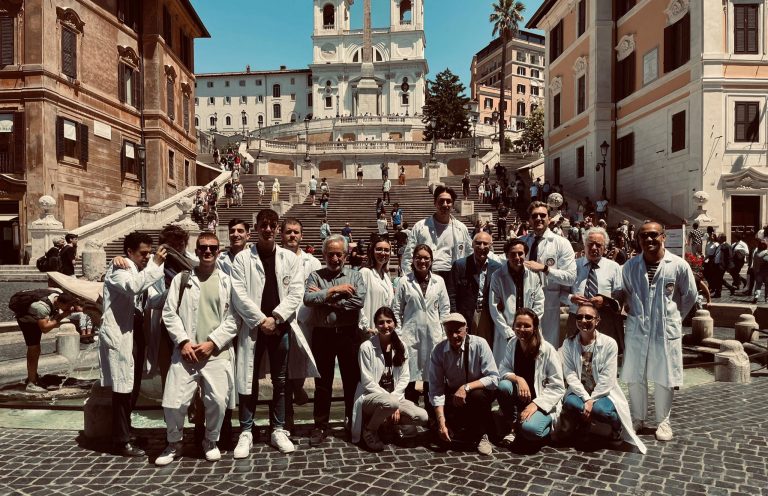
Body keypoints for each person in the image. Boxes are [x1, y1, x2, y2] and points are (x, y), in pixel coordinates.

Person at [230, 209, 316, 456]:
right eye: (263, 225)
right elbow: (239, 294)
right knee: (248, 379)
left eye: (272, 225)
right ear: (256, 228)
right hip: (254, 328)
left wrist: (275, 318)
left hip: (280, 327)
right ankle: (246, 430)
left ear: (277, 228)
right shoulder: (242, 259)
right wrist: (260, 320)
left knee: (280, 380)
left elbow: (296, 292)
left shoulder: (290, 259)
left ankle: (277, 428)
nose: (268, 229)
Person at [155, 232, 239, 466]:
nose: (208, 252)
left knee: (218, 401)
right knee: (173, 401)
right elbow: (169, 313)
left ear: (219, 251)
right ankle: (174, 442)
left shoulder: (227, 281)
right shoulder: (183, 279)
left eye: (213, 248)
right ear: (197, 250)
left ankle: (210, 440)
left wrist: (213, 342)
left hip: (215, 352)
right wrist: (183, 341)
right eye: (203, 248)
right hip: (186, 352)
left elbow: (234, 319)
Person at [622, 221, 696, 441]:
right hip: (637, 328)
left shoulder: (678, 265)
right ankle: (637, 418)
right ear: (639, 240)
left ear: (663, 237)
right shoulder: (630, 266)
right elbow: (626, 293)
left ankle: (663, 422)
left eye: (654, 235)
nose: (649, 240)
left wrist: (673, 318)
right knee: (635, 376)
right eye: (644, 236)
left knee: (665, 376)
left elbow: (690, 295)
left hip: (665, 330)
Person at [100, 232, 166, 457]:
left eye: (149, 253)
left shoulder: (136, 269)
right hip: (121, 335)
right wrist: (156, 264)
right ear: (129, 252)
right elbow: (133, 287)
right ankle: (120, 440)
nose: (147, 257)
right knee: (122, 389)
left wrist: (172, 293)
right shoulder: (121, 268)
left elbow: (149, 300)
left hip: (135, 333)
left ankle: (125, 430)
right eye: (143, 253)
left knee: (132, 385)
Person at [303, 235, 367, 446]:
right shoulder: (315, 275)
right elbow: (308, 299)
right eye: (331, 254)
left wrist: (326, 299)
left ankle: (351, 421)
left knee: (351, 379)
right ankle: (320, 425)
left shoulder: (355, 276)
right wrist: (335, 290)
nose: (335, 258)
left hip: (348, 333)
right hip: (324, 333)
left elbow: (358, 301)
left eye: (339, 254)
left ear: (346, 255)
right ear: (324, 255)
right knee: (323, 382)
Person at [559, 303, 647, 453]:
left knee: (601, 410)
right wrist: (586, 399)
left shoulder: (609, 344)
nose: (584, 320)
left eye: (589, 317)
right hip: (581, 392)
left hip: (603, 392)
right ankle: (582, 425)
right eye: (579, 317)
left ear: (597, 320)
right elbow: (570, 375)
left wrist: (592, 400)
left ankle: (616, 428)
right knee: (570, 402)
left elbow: (608, 378)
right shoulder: (569, 343)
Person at [351, 306, 428, 450]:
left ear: (395, 323)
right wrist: (392, 402)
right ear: (375, 325)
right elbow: (367, 381)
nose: (385, 326)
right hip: (370, 398)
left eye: (389, 321)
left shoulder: (401, 346)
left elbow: (405, 377)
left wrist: (394, 400)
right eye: (381, 322)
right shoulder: (366, 347)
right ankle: (370, 429)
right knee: (390, 404)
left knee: (422, 416)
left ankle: (390, 425)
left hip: (395, 398)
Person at [392, 244, 450, 421]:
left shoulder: (438, 281)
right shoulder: (403, 281)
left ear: (431, 261)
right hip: (410, 337)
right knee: (408, 379)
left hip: (434, 337)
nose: (422, 261)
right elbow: (396, 310)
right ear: (413, 260)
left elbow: (445, 309)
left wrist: (443, 334)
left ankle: (433, 419)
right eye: (419, 257)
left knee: (431, 380)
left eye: (426, 258)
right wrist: (400, 336)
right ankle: (408, 420)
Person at [428, 313, 499, 455]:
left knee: (477, 396)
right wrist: (441, 421)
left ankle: (482, 434)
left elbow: (494, 379)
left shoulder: (480, 344)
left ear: (466, 329)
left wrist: (467, 387)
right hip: (455, 395)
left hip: (477, 392)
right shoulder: (439, 351)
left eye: (458, 331)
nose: (454, 336)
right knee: (432, 405)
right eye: (450, 331)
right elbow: (436, 388)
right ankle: (449, 426)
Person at [496, 309, 564, 445]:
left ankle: (541, 428)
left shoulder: (547, 350)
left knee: (531, 430)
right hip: (521, 398)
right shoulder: (512, 344)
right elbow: (503, 368)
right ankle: (513, 426)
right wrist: (518, 379)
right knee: (503, 386)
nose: (522, 329)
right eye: (518, 325)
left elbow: (558, 387)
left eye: (527, 325)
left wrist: (535, 404)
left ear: (535, 328)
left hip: (542, 402)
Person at [280, 217, 322, 428]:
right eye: (288, 232)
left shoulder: (312, 262)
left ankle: (317, 420)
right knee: (283, 371)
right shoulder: (275, 258)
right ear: (282, 235)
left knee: (303, 363)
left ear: (302, 235)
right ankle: (285, 419)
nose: (292, 235)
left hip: (306, 319)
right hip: (282, 319)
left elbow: (318, 290)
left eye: (296, 232)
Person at [520, 201, 576, 346]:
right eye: (534, 216)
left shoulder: (561, 243)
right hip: (523, 303)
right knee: (523, 348)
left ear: (549, 219)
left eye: (542, 215)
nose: (538, 218)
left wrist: (545, 269)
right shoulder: (521, 243)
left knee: (547, 348)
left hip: (548, 304)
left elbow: (570, 278)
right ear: (529, 220)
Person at [567, 227, 625, 352]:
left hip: (604, 319)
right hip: (576, 318)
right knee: (575, 356)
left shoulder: (613, 267)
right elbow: (561, 293)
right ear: (584, 245)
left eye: (598, 245)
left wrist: (605, 301)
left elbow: (620, 295)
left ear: (605, 248)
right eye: (590, 244)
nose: (594, 248)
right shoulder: (573, 265)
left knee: (603, 356)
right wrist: (571, 298)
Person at [488, 239, 545, 365]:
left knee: (530, 366)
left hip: (530, 331)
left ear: (525, 255)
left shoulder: (533, 276)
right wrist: (508, 332)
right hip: (507, 331)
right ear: (507, 255)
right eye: (513, 254)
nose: (517, 257)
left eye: (520, 253)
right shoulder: (497, 276)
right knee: (506, 368)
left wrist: (530, 326)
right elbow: (494, 307)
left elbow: (539, 303)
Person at [400, 186, 473, 280]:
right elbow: (408, 255)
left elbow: (469, 254)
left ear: (453, 204)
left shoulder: (461, 228)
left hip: (453, 277)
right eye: (441, 201)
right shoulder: (420, 226)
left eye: (448, 201)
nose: (445, 204)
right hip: (426, 274)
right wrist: (410, 278)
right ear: (435, 203)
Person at [12, 288, 76, 392]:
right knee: (34, 349)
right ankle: (31, 384)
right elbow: (45, 328)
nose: (69, 308)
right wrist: (61, 316)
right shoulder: (42, 307)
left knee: (36, 349)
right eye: (68, 306)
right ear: (59, 302)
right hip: (27, 320)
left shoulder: (57, 294)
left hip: (35, 317)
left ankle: (32, 376)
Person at [445, 232, 502, 348]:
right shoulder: (460, 265)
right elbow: (451, 293)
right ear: (472, 244)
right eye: (478, 243)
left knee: (484, 348)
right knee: (465, 348)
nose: (481, 247)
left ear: (491, 246)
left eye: (485, 244)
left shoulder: (496, 267)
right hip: (466, 314)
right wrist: (456, 316)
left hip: (487, 314)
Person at [359, 237, 394, 336]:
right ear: (372, 252)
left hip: (384, 331)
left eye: (387, 250)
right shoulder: (365, 272)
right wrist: (366, 327)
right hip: (369, 330)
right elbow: (358, 302)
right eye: (379, 249)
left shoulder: (386, 277)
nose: (383, 253)